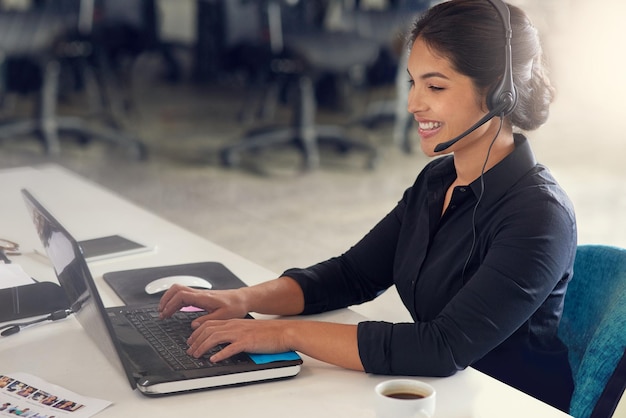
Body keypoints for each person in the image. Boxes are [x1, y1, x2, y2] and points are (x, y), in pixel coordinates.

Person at [159, 0, 576, 412]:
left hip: (507, 404)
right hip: (445, 395)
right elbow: (353, 274)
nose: (413, 104)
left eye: (435, 86)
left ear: (499, 95)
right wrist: (244, 299)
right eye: (412, 83)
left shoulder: (539, 216)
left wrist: (285, 335)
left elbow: (442, 347)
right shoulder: (439, 180)